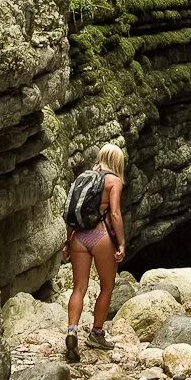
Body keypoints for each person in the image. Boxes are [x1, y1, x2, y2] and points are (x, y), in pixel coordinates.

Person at [64, 143, 127, 360]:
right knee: (107, 286)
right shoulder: (114, 181)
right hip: (100, 236)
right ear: (117, 161)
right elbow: (116, 214)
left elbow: (74, 208)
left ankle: (72, 329)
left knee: (79, 287)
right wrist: (121, 242)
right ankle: (96, 333)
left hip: (78, 237)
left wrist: (67, 241)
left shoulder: (84, 178)